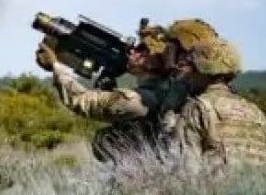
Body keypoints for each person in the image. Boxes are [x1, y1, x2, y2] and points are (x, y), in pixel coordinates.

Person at [36, 20, 173, 162]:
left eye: (141, 49)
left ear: (154, 59)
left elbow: (80, 101)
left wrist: (55, 66)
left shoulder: (136, 100)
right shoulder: (165, 91)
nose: (132, 50)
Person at [173, 37, 266, 172]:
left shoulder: (197, 107)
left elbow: (188, 169)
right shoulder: (255, 111)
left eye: (192, 67)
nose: (188, 73)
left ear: (201, 70)